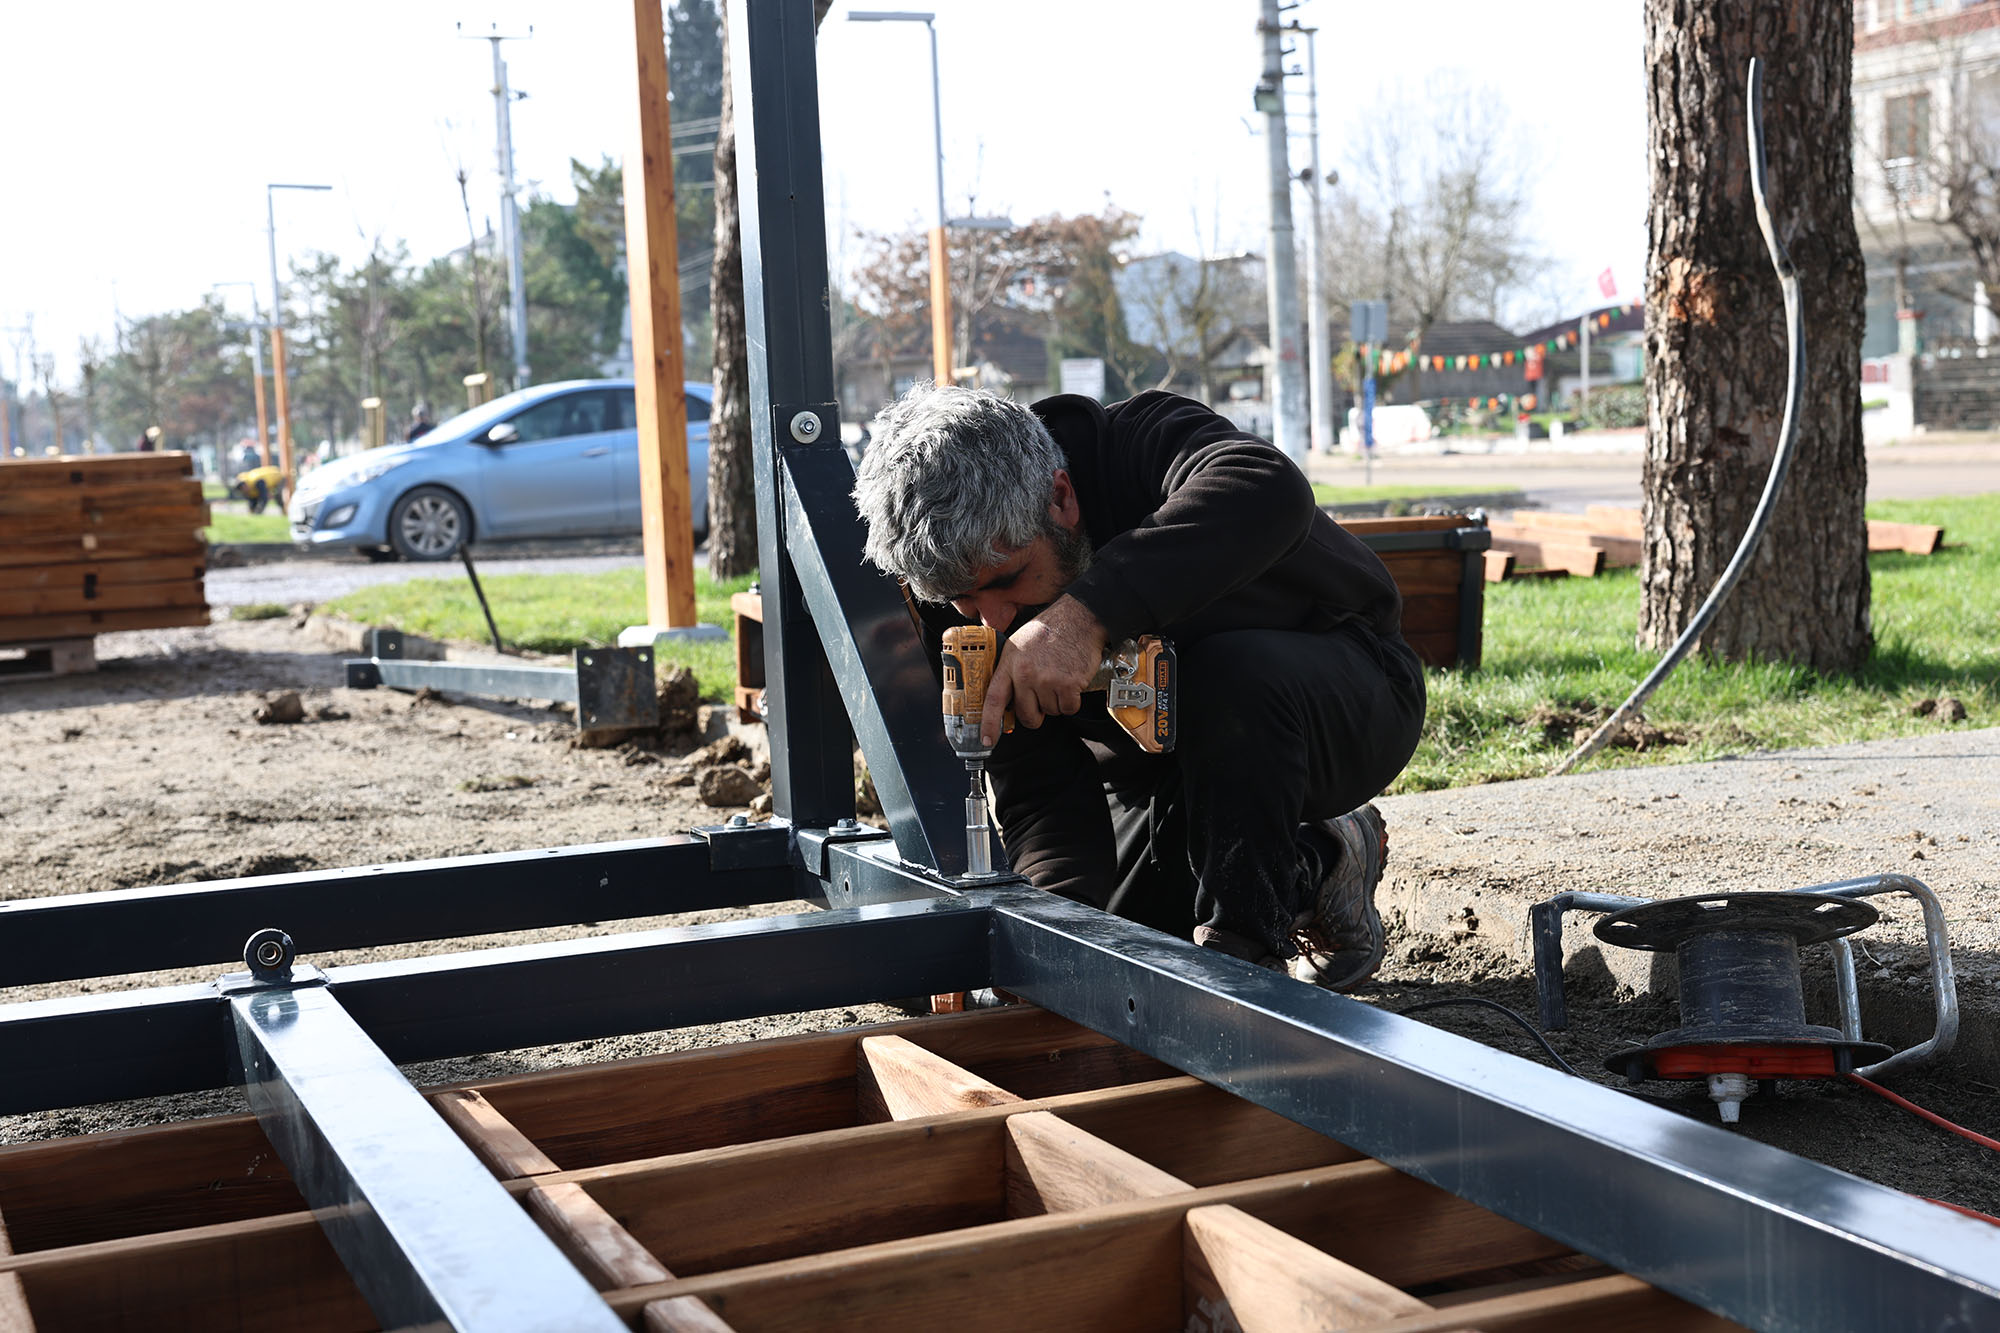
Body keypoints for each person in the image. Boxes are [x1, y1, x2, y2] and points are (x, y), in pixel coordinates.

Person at [851, 385, 1426, 990]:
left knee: (1228, 674)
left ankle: (1247, 959)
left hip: (1346, 702)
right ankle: (1323, 860)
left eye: (1008, 580)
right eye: (962, 599)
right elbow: (1040, 790)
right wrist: (1049, 939)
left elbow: (1269, 487)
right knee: (1129, 945)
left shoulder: (1138, 441)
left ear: (1062, 498)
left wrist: (1084, 615)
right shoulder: (961, 589)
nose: (991, 619)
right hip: (1158, 773)